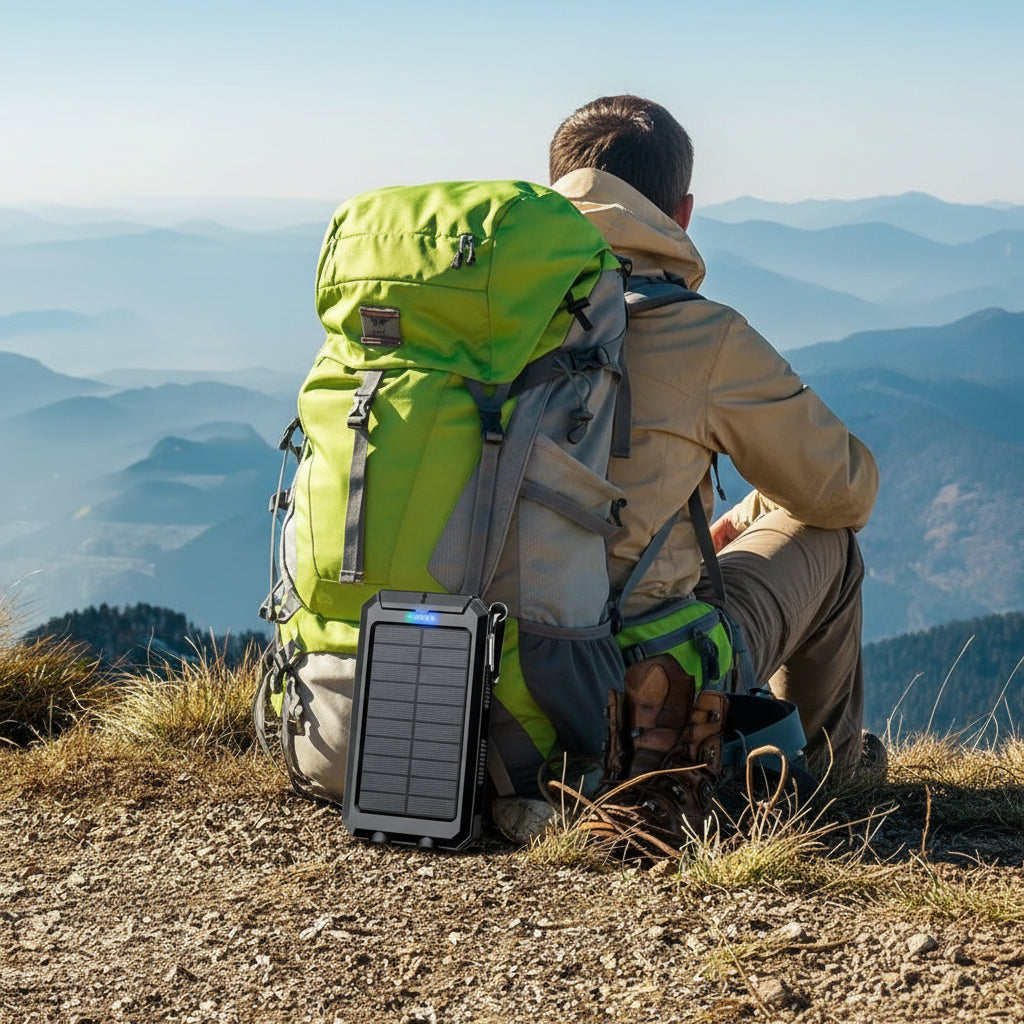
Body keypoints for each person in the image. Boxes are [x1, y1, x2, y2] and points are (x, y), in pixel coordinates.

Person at [545, 95, 880, 835]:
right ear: (683, 212)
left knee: (764, 508)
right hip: (633, 682)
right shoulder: (698, 332)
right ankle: (823, 777)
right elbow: (845, 491)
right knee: (825, 534)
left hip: (457, 669)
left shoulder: (473, 317)